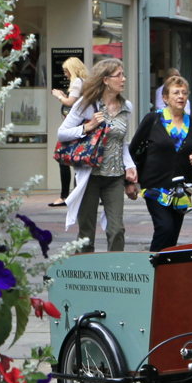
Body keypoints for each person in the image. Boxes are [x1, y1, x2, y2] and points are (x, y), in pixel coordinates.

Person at [57, 57, 137, 252]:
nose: (123, 79)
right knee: (86, 233)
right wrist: (88, 126)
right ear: (106, 80)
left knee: (117, 230)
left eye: (123, 75)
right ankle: (86, 268)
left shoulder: (127, 107)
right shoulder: (86, 104)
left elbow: (121, 142)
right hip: (90, 176)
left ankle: (115, 267)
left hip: (115, 177)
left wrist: (130, 166)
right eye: (119, 75)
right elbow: (62, 133)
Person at [129, 74, 192, 251]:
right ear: (165, 98)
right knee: (164, 228)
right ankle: (152, 263)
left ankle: (166, 266)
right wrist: (129, 181)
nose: (181, 96)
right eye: (176, 93)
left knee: (172, 236)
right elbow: (133, 151)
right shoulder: (153, 120)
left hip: (182, 189)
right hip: (155, 187)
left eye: (184, 93)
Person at [48, 57, 87, 207]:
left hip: (73, 129)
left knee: (64, 159)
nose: (65, 74)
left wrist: (59, 96)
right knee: (79, 161)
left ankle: (65, 196)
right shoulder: (85, 82)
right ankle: (78, 195)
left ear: (72, 70)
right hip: (80, 127)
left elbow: (70, 103)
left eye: (66, 71)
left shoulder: (77, 82)